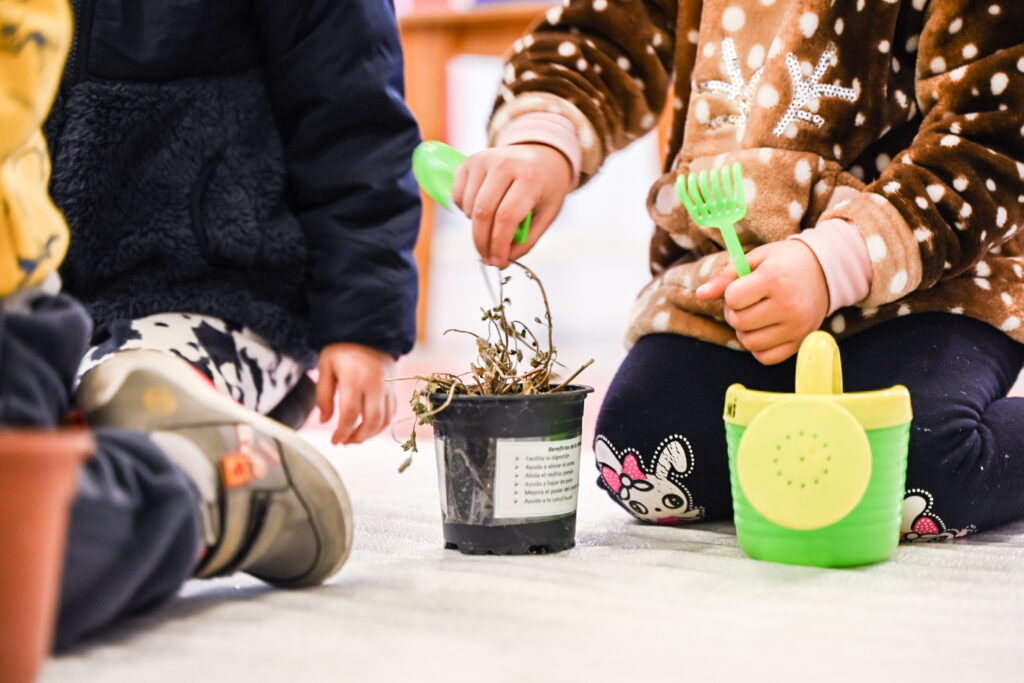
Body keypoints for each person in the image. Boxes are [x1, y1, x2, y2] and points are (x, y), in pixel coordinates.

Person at [453, 0, 1024, 541]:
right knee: (642, 461)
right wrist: (544, 142)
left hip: (927, 278)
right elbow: (603, 36)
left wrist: (833, 263)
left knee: (912, 477)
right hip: (733, 286)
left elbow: (992, 133)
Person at [1, 0, 418, 651]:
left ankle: (218, 481)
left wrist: (362, 323)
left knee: (126, 401)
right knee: (61, 435)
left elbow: (354, 118)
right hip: (60, 306)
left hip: (233, 299)